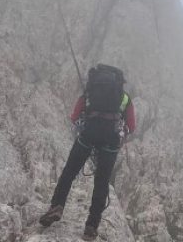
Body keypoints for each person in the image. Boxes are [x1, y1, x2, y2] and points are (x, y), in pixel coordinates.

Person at [39, 64, 136, 241]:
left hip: (88, 135)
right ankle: (91, 227)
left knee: (69, 172)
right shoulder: (124, 98)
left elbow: (74, 117)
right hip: (111, 142)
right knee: (101, 182)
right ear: (120, 82)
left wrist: (87, 121)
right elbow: (132, 126)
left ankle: (57, 206)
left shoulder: (90, 91)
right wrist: (119, 133)